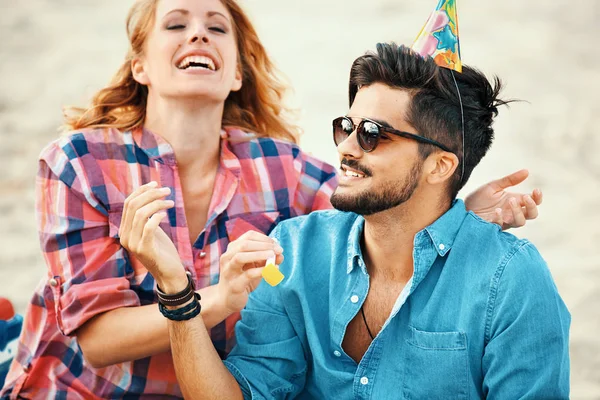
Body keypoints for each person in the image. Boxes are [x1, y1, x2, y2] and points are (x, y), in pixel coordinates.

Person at [0, 1, 542, 399]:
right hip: (79, 389)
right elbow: (96, 342)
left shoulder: (278, 167)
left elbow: (384, 197)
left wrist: (458, 217)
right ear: (140, 65)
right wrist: (214, 298)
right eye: (176, 24)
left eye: (217, 28)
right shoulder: (79, 163)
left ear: (237, 71)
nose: (198, 35)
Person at [128, 43, 570, 399]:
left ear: (439, 167)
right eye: (346, 126)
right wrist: (175, 288)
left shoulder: (511, 280)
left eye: (373, 134)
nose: (346, 148)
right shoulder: (295, 253)